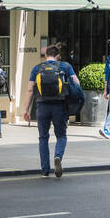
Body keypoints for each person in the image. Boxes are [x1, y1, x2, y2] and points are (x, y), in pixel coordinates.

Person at [26, 45, 77, 177]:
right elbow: (76, 84)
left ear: (45, 56)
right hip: (59, 106)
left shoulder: (37, 68)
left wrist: (26, 109)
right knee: (61, 135)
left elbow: (30, 90)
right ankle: (58, 156)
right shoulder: (65, 66)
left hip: (42, 106)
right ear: (58, 56)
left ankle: (45, 170)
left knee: (43, 137)